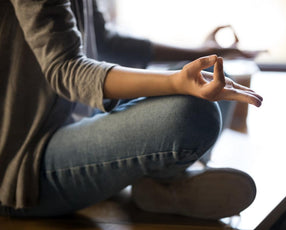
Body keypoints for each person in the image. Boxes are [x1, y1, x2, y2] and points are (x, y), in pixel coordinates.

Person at [0, 0, 263, 219]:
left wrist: (210, 52)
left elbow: (106, 41)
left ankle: (163, 183)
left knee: (214, 77)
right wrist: (175, 82)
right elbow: (66, 69)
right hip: (27, 164)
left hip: (77, 119)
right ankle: (169, 181)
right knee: (192, 113)